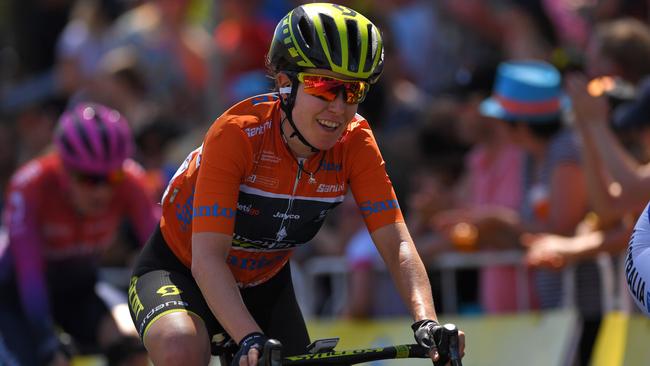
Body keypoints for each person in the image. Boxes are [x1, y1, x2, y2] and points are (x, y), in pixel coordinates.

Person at [126, 3, 465, 366]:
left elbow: (395, 241)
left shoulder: (356, 142)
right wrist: (249, 337)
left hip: (263, 281)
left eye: (352, 92)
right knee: (181, 347)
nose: (338, 107)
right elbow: (208, 259)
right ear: (286, 84)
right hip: (180, 270)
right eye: (323, 86)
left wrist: (426, 320)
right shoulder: (237, 135)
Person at [0, 102, 159, 366]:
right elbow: (30, 274)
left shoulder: (132, 182)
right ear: (64, 171)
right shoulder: (31, 185)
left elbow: (159, 250)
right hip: (18, 297)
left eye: (112, 177)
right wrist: (47, 342)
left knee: (131, 344)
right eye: (88, 179)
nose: (102, 192)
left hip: (80, 289)